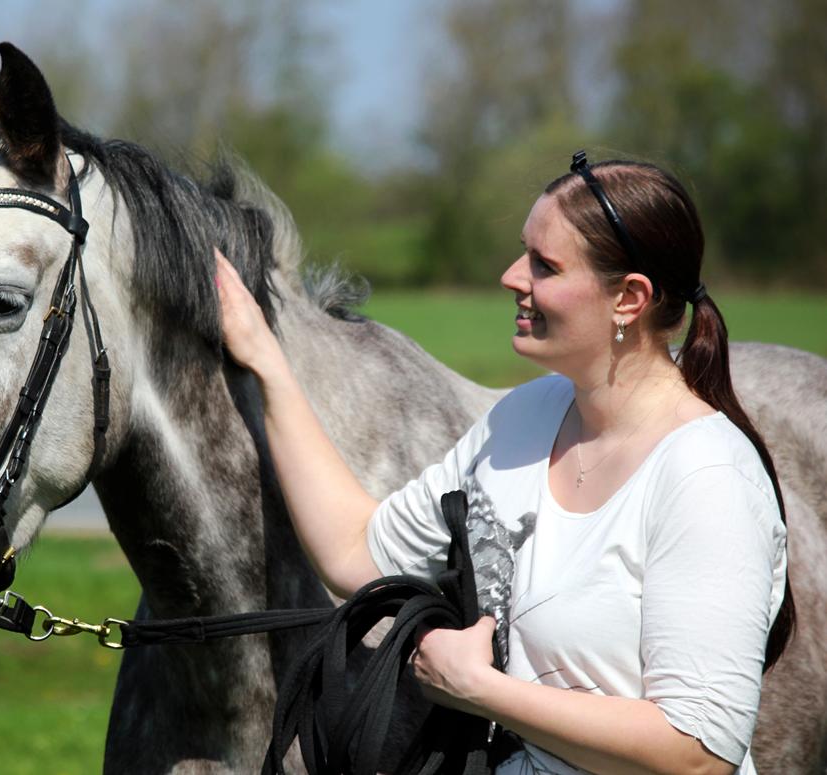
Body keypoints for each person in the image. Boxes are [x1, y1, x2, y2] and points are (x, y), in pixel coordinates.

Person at [214, 152, 792, 774]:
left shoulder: (709, 478)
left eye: (545, 265)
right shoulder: (525, 417)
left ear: (629, 298)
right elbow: (358, 550)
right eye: (524, 252)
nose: (512, 276)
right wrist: (266, 359)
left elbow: (697, 753)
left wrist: (483, 691)